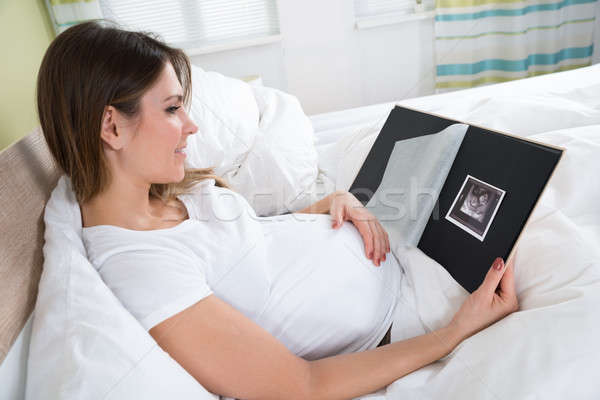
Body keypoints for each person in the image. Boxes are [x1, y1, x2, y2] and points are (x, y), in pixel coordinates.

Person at [37, 21, 519, 400]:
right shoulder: (141, 268)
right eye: (170, 109)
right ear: (111, 128)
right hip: (410, 309)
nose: (191, 126)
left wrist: (331, 205)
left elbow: (257, 245)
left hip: (391, 242)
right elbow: (302, 385)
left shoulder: (159, 194)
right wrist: (454, 333)